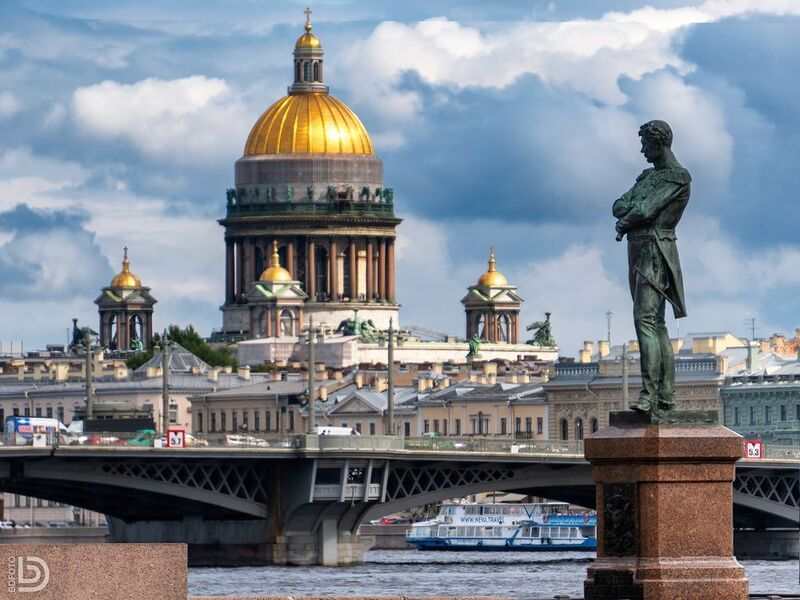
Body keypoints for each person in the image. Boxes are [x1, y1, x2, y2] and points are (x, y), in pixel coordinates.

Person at [613, 120, 690, 413]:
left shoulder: (677, 177)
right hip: (639, 249)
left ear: (659, 143)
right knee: (653, 323)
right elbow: (619, 203)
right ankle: (665, 395)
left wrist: (625, 220)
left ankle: (651, 395)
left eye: (645, 143)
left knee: (646, 321)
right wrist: (629, 213)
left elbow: (643, 209)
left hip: (656, 250)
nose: (642, 149)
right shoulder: (647, 176)